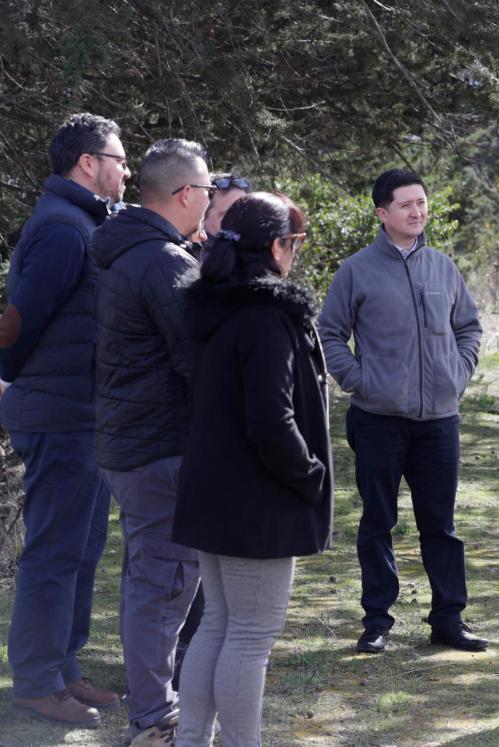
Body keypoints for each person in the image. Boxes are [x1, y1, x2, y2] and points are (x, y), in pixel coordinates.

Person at [173, 192, 332, 747]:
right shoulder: (264, 314)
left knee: (220, 623)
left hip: (214, 492)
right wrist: (310, 475)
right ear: (275, 247)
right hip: (254, 503)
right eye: (295, 243)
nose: (297, 254)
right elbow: (272, 419)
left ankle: (193, 739)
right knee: (249, 634)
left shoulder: (218, 304)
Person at [319, 168, 485, 654]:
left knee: (442, 524)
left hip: (438, 421)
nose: (417, 212)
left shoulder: (443, 267)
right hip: (377, 420)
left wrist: (458, 371)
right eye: (406, 204)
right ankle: (376, 620)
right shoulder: (356, 270)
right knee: (377, 522)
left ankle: (448, 620)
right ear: (382, 213)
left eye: (422, 203)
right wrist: (358, 380)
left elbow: (469, 329)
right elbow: (329, 334)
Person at [0, 113, 128, 727]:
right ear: (88, 163)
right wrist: (11, 379)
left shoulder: (85, 222)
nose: (126, 169)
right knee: (54, 550)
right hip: (58, 414)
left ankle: (64, 668)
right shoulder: (61, 228)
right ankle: (35, 681)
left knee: (83, 546)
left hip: (85, 412)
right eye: (119, 158)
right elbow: (18, 321)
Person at [92, 138, 211, 745]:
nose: (211, 199)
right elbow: (198, 357)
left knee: (152, 578)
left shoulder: (131, 251)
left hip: (132, 442)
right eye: (208, 189)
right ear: (186, 195)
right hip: (158, 447)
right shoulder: (163, 263)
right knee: (163, 586)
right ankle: (152, 719)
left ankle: (151, 709)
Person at [172, 171, 253, 684]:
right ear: (207, 218)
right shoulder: (187, 274)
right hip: (184, 437)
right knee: (182, 565)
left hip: (228, 444)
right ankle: (178, 665)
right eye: (230, 214)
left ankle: (207, 658)